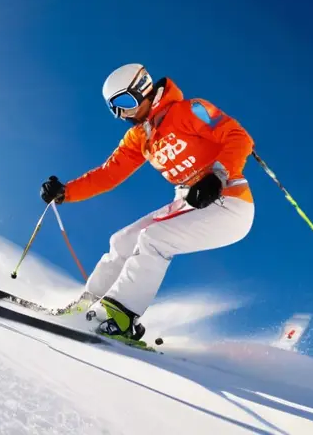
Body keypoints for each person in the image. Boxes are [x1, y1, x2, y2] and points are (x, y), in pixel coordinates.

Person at [39, 63, 255, 341]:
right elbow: (109, 173)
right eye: (114, 109)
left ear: (143, 89)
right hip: (188, 203)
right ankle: (86, 308)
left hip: (230, 204)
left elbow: (238, 136)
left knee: (154, 238)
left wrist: (217, 177)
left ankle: (121, 316)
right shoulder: (140, 137)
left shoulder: (190, 110)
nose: (122, 114)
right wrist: (66, 192)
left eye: (124, 103)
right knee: (123, 241)